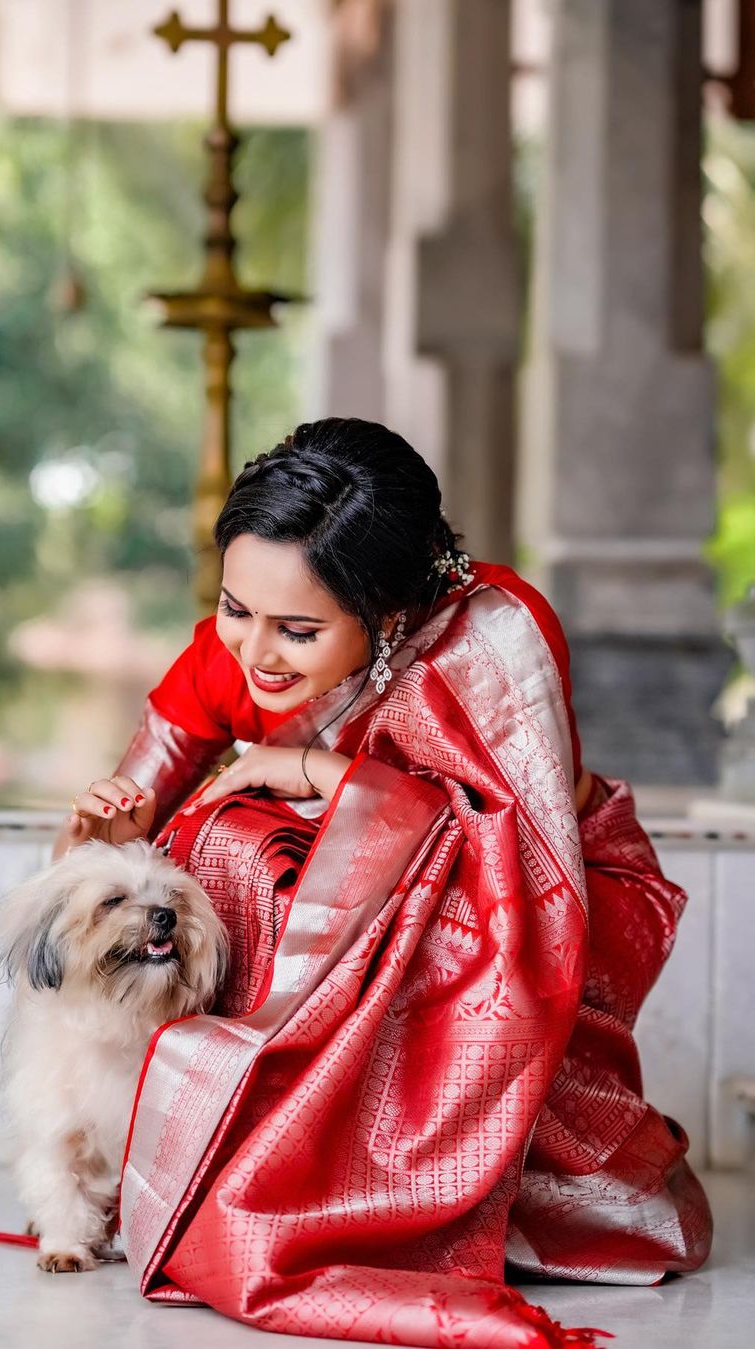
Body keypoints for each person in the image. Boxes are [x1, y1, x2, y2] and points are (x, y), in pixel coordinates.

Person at [54, 418, 712, 1348]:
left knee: (267, 841)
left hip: (539, 902)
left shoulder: (496, 637)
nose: (256, 653)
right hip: (379, 896)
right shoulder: (237, 645)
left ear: (390, 612)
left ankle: (403, 1183)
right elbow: (89, 865)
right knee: (222, 839)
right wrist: (113, 834)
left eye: (300, 629)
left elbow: (524, 848)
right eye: (236, 607)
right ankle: (282, 1165)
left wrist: (319, 777)